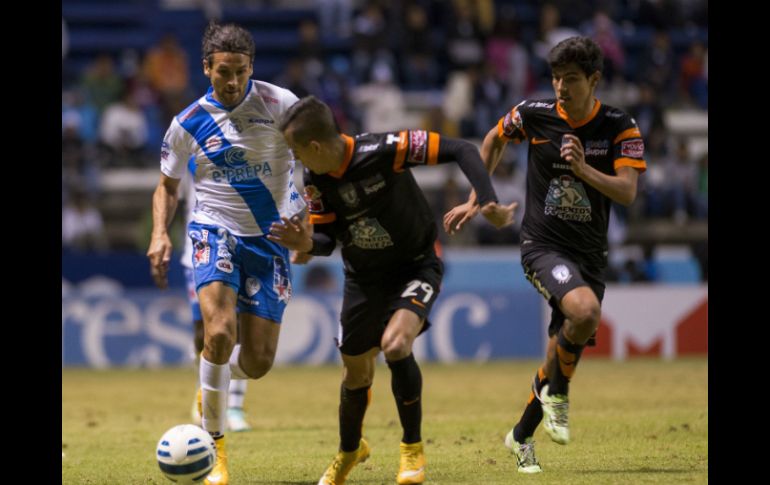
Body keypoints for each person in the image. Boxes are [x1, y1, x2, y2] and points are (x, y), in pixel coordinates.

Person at [267, 96, 516, 485]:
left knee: (396, 345)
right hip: (364, 277)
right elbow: (327, 239)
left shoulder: (386, 149)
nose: (298, 162)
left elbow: (462, 149)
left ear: (314, 147)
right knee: (355, 374)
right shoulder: (315, 179)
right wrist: (304, 244)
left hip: (416, 264)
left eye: (297, 152)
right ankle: (350, 450)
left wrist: (487, 201)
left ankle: (411, 451)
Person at [443, 36, 646, 474]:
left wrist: (584, 170)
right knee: (585, 311)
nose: (560, 87)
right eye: (555, 78)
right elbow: (493, 138)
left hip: (589, 255)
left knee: (559, 352)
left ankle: (520, 436)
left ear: (594, 80)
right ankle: (559, 395)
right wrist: (482, 196)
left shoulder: (619, 126)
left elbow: (627, 192)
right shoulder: (533, 115)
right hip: (541, 246)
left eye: (571, 79)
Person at [147, 21, 305, 485]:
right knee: (217, 333)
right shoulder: (187, 123)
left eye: (240, 71)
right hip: (213, 230)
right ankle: (215, 448)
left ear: (251, 66)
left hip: (271, 237)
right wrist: (160, 233)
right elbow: (166, 186)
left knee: (257, 362)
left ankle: (210, 385)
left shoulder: (282, 104)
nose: (232, 81)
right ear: (206, 69)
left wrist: (310, 223)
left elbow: (315, 162)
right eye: (223, 73)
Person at [179, 175, 252, 433]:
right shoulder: (190, 148)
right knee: (203, 331)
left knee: (237, 327)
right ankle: (205, 388)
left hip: (240, 246)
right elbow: (172, 193)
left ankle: (233, 406)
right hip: (199, 250)